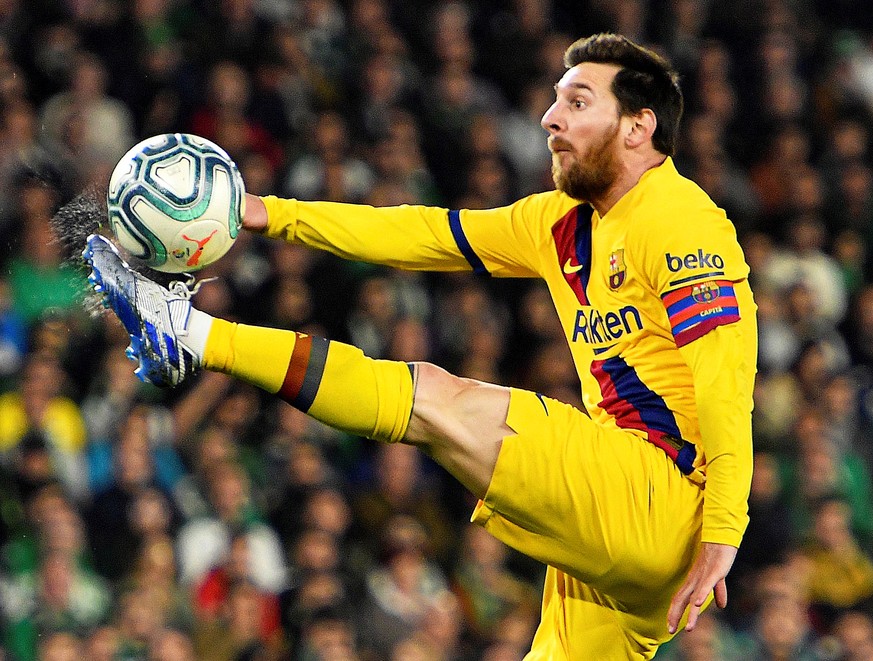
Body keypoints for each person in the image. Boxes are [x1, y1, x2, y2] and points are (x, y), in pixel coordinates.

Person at [82, 33, 757, 659]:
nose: (550, 118)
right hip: (625, 543)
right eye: (553, 99)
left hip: (666, 501)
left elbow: (723, 380)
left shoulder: (679, 221)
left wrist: (724, 529)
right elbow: (422, 234)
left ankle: (190, 335)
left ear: (638, 127)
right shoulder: (558, 222)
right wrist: (268, 212)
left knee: (436, 396)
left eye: (576, 102)